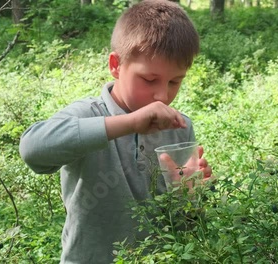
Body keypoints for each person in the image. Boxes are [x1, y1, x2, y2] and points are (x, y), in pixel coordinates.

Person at [19, 0, 212, 263]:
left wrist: (190, 196)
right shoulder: (89, 115)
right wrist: (130, 122)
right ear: (116, 65)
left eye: (175, 81)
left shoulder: (179, 127)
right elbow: (33, 150)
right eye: (149, 79)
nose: (162, 95)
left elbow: (185, 227)